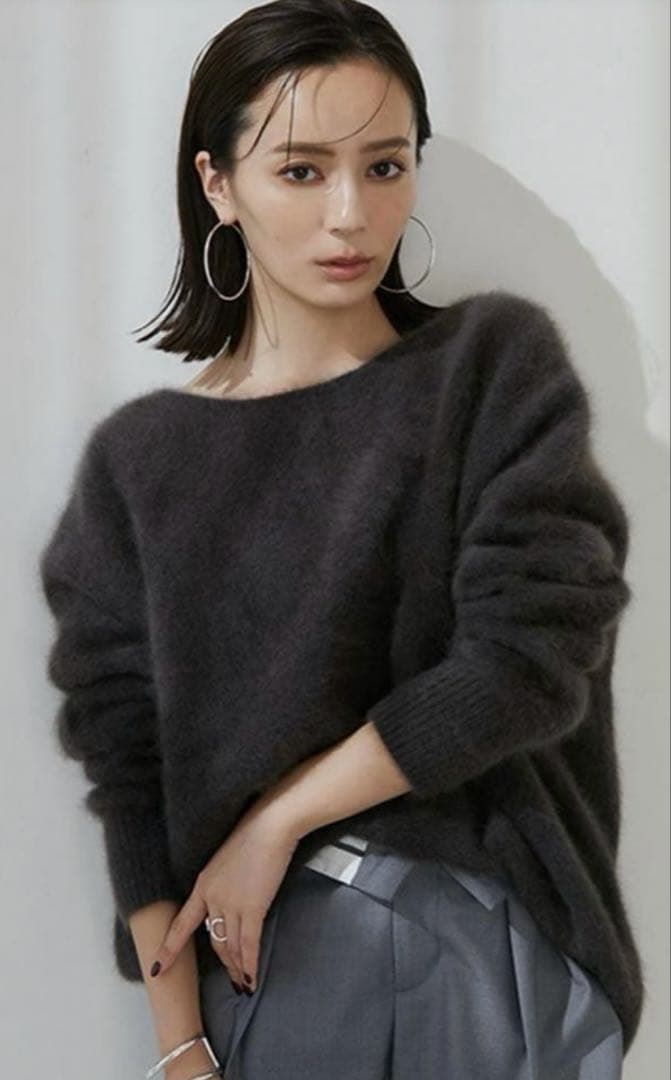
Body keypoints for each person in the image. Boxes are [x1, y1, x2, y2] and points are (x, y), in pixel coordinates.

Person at [38, 1, 645, 1078]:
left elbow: (528, 660)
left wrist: (276, 822)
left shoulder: (488, 367)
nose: (351, 215)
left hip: (465, 933)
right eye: (301, 171)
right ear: (217, 185)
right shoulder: (137, 463)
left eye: (384, 166)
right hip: (255, 977)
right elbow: (127, 769)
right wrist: (179, 1046)